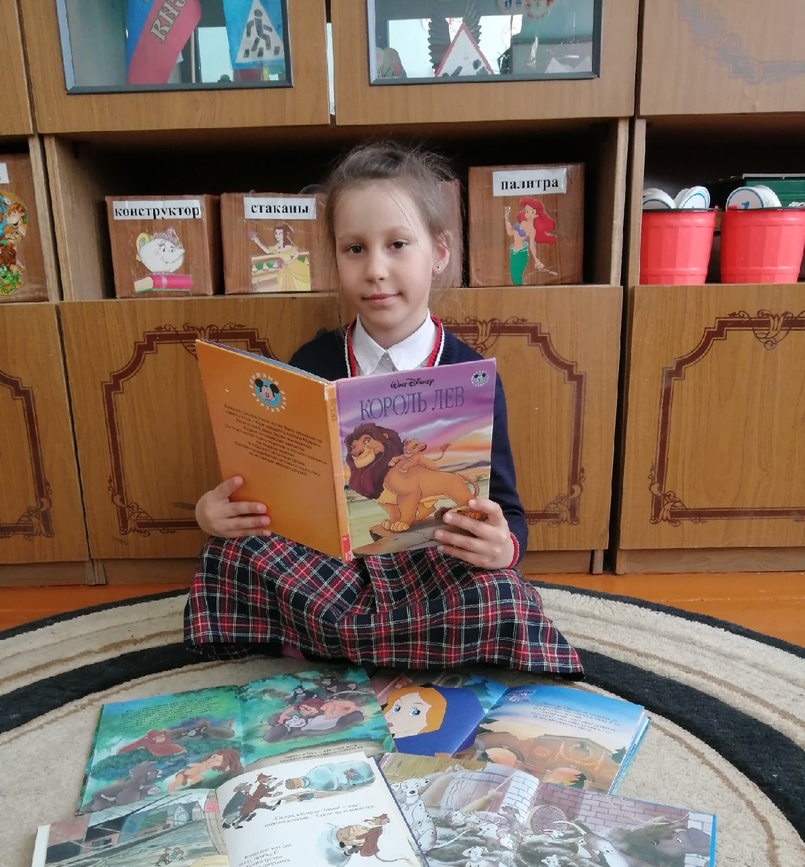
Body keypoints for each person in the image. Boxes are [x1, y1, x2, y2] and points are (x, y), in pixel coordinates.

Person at [185, 141, 581, 676]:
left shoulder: (471, 373)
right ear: (336, 258)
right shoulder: (311, 362)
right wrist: (215, 514)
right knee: (232, 555)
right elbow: (272, 493)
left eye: (397, 244)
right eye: (355, 249)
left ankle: (328, 642)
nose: (375, 269)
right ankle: (397, 643)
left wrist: (504, 548)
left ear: (439, 252)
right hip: (330, 567)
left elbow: (507, 508)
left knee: (501, 594)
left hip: (432, 567)